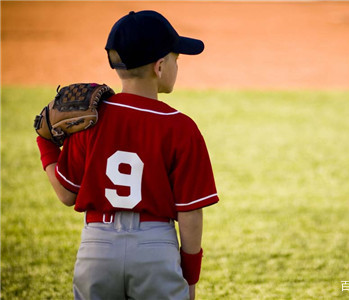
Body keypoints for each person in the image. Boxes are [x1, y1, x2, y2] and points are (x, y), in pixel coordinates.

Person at [36, 10, 219, 300]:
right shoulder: (181, 127)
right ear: (160, 67)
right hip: (154, 247)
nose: (177, 65)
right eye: (176, 59)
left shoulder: (89, 120)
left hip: (97, 246)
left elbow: (67, 193)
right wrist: (191, 278)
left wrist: (45, 143)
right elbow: (190, 212)